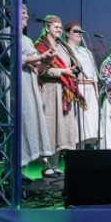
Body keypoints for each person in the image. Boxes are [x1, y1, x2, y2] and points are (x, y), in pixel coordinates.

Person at [0, 4, 54, 181]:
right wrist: (41, 57)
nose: (26, 16)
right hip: (14, 80)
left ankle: (18, 168)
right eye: (22, 12)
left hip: (28, 81)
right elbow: (13, 57)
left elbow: (37, 68)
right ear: (10, 14)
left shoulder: (26, 39)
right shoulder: (6, 33)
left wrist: (45, 61)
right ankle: (10, 169)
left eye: (27, 13)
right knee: (17, 122)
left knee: (29, 122)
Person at [34, 15, 85, 178]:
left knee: (61, 128)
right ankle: (45, 165)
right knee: (49, 126)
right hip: (49, 90)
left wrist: (74, 72)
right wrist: (62, 71)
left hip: (64, 91)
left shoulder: (63, 46)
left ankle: (55, 165)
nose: (59, 29)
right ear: (46, 27)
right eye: (55, 26)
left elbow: (72, 65)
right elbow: (41, 70)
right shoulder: (40, 46)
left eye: (61, 27)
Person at [64, 21, 100, 149]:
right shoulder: (66, 49)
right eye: (75, 31)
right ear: (67, 34)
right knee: (77, 121)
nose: (79, 33)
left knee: (89, 123)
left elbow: (94, 74)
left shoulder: (86, 51)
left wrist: (96, 93)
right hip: (76, 87)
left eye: (80, 31)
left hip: (90, 88)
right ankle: (73, 151)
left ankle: (83, 150)